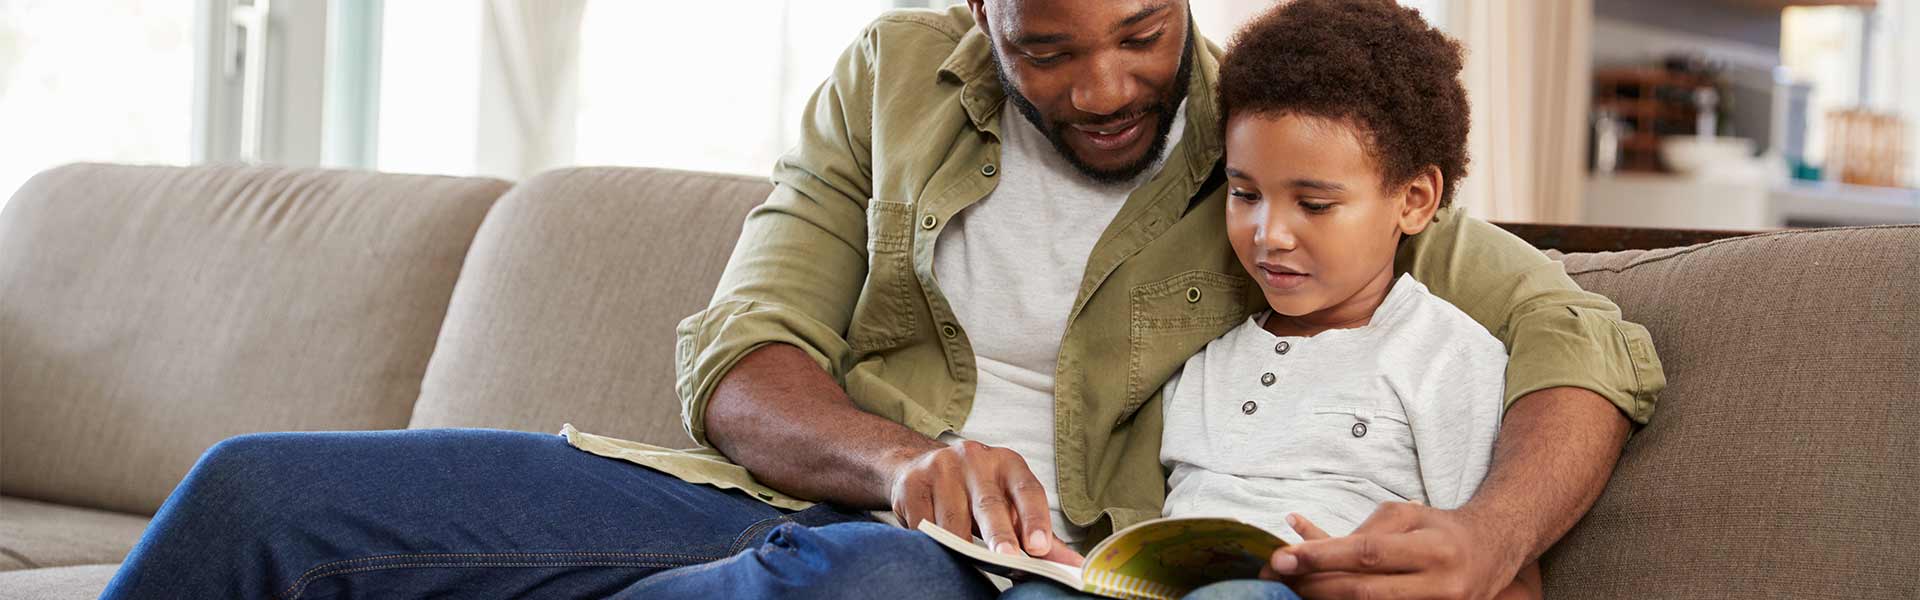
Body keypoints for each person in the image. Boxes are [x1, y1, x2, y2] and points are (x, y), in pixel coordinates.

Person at [101, 1, 1662, 598]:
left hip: (1024, 574)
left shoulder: (1273, 136)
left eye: (1139, 31)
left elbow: (1573, 333)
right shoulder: (890, 82)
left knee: (859, 593)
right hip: (788, 501)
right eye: (1048, 44)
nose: (1106, 85)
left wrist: (1491, 535)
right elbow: (741, 354)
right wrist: (899, 464)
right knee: (258, 497)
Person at [1001, 2, 1539, 597]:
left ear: (1413, 200)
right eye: (1245, 193)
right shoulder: (1204, 352)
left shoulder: (1447, 357)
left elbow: (1507, 580)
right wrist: (1086, 571)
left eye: (1313, 205)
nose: (1269, 235)